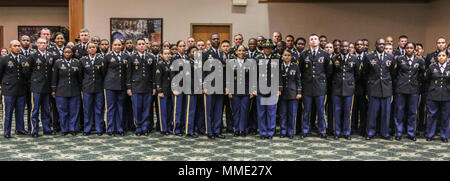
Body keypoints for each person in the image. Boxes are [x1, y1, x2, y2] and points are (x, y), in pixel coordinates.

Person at [298, 34, 332, 139]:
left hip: (320, 87)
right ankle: (305, 130)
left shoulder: (324, 54)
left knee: (321, 110)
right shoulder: (304, 54)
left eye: (315, 39)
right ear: (309, 42)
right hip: (307, 87)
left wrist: (322, 81)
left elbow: (328, 71)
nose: (313, 41)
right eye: (311, 39)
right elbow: (301, 70)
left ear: (319, 41)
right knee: (306, 110)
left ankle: (322, 130)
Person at [362, 38, 395, 140]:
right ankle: (370, 132)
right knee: (372, 112)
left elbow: (393, 72)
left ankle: (385, 133)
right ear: (375, 45)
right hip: (373, 88)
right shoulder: (369, 57)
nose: (381, 46)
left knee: (386, 113)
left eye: (383, 44)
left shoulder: (390, 57)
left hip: (386, 88)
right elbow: (365, 72)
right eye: (379, 44)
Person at [392, 42, 425, 141]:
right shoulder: (399, 59)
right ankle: (399, 132)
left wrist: (417, 84)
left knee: (412, 112)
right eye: (407, 48)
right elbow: (394, 73)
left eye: (411, 48)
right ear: (405, 49)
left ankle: (411, 132)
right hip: (401, 88)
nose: (409, 50)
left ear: (414, 50)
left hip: (414, 89)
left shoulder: (419, 60)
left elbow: (422, 74)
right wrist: (398, 83)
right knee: (399, 111)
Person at [25, 38, 56, 137]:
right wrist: (33, 81)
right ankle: (34, 130)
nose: (43, 45)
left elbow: (52, 71)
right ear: (37, 44)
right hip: (36, 87)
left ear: (47, 44)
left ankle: (46, 129)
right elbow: (26, 71)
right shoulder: (33, 56)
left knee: (46, 109)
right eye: (41, 43)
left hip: (47, 87)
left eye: (44, 43)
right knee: (35, 110)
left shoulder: (51, 56)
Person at [331, 40, 359, 140]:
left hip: (349, 89)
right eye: (342, 46)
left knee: (348, 112)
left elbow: (357, 74)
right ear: (339, 48)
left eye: (346, 47)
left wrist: (350, 83)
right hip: (337, 88)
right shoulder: (334, 58)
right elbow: (331, 73)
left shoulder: (354, 59)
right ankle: (337, 132)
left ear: (349, 48)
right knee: (337, 111)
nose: (344, 48)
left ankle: (347, 132)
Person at [127, 38, 156, 136]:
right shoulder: (132, 57)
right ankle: (138, 127)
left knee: (147, 109)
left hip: (148, 87)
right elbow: (129, 74)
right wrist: (129, 88)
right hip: (136, 87)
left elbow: (153, 74)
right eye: (139, 44)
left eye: (143, 44)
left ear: (146, 45)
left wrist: (154, 87)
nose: (142, 45)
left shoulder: (150, 57)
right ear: (136, 46)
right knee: (137, 108)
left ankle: (145, 128)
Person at [0, 40, 28, 138]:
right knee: (8, 112)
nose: (17, 47)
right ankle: (7, 131)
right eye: (15, 46)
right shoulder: (4, 59)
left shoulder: (24, 59)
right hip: (8, 90)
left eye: (18, 46)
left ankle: (20, 129)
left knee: (20, 112)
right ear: (10, 47)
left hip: (21, 89)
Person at [51, 47, 82, 136]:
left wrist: (80, 88)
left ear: (72, 53)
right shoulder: (58, 63)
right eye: (65, 52)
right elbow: (54, 77)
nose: (67, 54)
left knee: (74, 111)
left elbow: (80, 77)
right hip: (61, 91)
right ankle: (64, 129)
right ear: (63, 53)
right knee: (62, 111)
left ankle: (73, 129)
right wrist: (53, 89)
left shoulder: (77, 62)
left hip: (74, 90)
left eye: (69, 52)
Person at [255, 39, 281, 139]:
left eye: (269, 48)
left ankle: (270, 132)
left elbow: (279, 74)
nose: (267, 50)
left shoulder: (276, 58)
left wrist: (279, 88)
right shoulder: (257, 59)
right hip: (260, 89)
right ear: (262, 49)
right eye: (265, 48)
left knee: (271, 112)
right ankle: (263, 131)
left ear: (272, 49)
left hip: (273, 89)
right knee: (261, 112)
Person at [202, 33, 226, 139]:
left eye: (217, 39)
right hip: (209, 85)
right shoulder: (205, 53)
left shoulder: (222, 53)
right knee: (209, 110)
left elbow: (225, 71)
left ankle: (217, 130)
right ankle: (209, 131)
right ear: (210, 41)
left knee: (218, 110)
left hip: (220, 86)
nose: (216, 41)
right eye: (214, 39)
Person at [103, 39, 129, 136]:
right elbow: (103, 71)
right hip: (110, 86)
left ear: (122, 46)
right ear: (112, 46)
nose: (117, 46)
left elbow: (127, 71)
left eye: (119, 45)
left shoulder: (126, 56)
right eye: (115, 45)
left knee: (120, 108)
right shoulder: (107, 57)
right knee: (110, 108)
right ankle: (110, 129)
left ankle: (119, 128)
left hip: (122, 86)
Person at [80, 42, 106, 136]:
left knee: (99, 109)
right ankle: (87, 129)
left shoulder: (101, 60)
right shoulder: (83, 60)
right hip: (87, 88)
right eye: (90, 47)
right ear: (87, 49)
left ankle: (99, 128)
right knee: (87, 109)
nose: (91, 49)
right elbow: (80, 75)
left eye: (93, 47)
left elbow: (104, 74)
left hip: (99, 88)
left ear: (96, 49)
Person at [227, 45, 253, 137]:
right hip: (234, 90)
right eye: (239, 50)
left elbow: (252, 78)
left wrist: (252, 90)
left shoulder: (249, 63)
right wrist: (229, 90)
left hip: (246, 91)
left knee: (245, 110)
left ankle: (243, 129)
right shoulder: (231, 63)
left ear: (245, 52)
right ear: (236, 52)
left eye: (243, 50)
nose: (241, 52)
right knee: (236, 110)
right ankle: (237, 129)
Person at [424, 50, 449, 142]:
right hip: (433, 95)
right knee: (432, 115)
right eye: (439, 55)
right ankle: (430, 134)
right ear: (437, 57)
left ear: (447, 57)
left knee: (445, 116)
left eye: (443, 55)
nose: (441, 57)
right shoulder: (432, 67)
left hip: (447, 95)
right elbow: (426, 80)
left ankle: (444, 135)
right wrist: (429, 92)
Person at [279, 49, 302, 139]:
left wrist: (299, 92)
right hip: (282, 93)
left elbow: (298, 80)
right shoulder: (279, 66)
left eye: (288, 55)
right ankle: (283, 131)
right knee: (283, 113)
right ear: (282, 56)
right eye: (285, 55)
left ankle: (291, 131)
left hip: (293, 93)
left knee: (292, 114)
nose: (287, 57)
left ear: (291, 57)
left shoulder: (295, 66)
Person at [182, 46, 200, 138]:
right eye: (193, 52)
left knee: (194, 111)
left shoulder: (196, 62)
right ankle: (188, 131)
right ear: (189, 53)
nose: (195, 53)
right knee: (190, 111)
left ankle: (191, 129)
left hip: (196, 90)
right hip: (190, 90)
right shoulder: (187, 63)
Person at [352, 39, 368, 136]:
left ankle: (363, 129)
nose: (359, 46)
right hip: (353, 87)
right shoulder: (352, 57)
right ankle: (353, 128)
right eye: (357, 45)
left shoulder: (369, 57)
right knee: (353, 110)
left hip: (364, 88)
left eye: (361, 45)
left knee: (363, 110)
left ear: (364, 47)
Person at [155, 48, 172, 136]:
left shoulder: (171, 63)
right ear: (161, 55)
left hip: (170, 91)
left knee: (169, 110)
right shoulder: (160, 64)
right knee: (163, 111)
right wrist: (159, 91)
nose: (167, 55)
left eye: (169, 54)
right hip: (163, 91)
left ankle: (168, 127)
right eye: (165, 54)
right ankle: (163, 128)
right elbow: (157, 78)